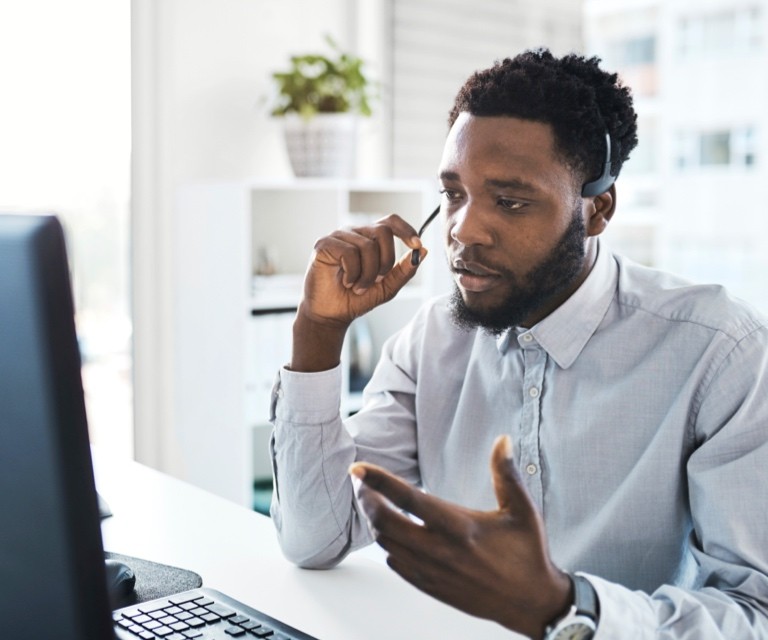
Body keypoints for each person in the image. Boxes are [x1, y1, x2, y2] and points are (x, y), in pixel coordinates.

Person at [268, 48, 768, 639]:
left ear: (598, 209)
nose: (464, 230)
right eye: (454, 194)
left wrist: (568, 607)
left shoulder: (719, 352)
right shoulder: (431, 342)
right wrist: (317, 333)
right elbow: (314, 538)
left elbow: (752, 612)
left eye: (510, 201)